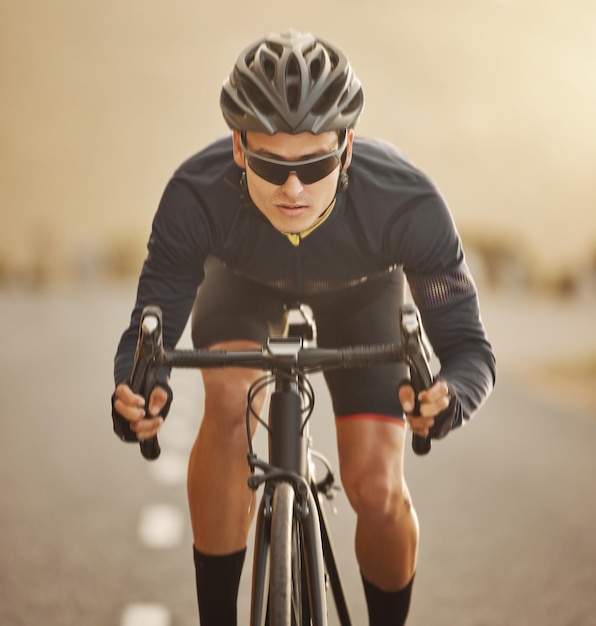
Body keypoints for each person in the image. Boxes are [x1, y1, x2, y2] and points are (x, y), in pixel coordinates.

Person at [112, 29, 496, 625]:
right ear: (239, 147)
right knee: (229, 399)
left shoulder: (406, 203)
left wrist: (449, 401)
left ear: (345, 148)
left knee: (375, 486)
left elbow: (469, 350)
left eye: (315, 164)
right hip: (239, 284)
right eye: (270, 163)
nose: (293, 188)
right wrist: (138, 393)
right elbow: (150, 328)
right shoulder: (195, 196)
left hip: (362, 293)